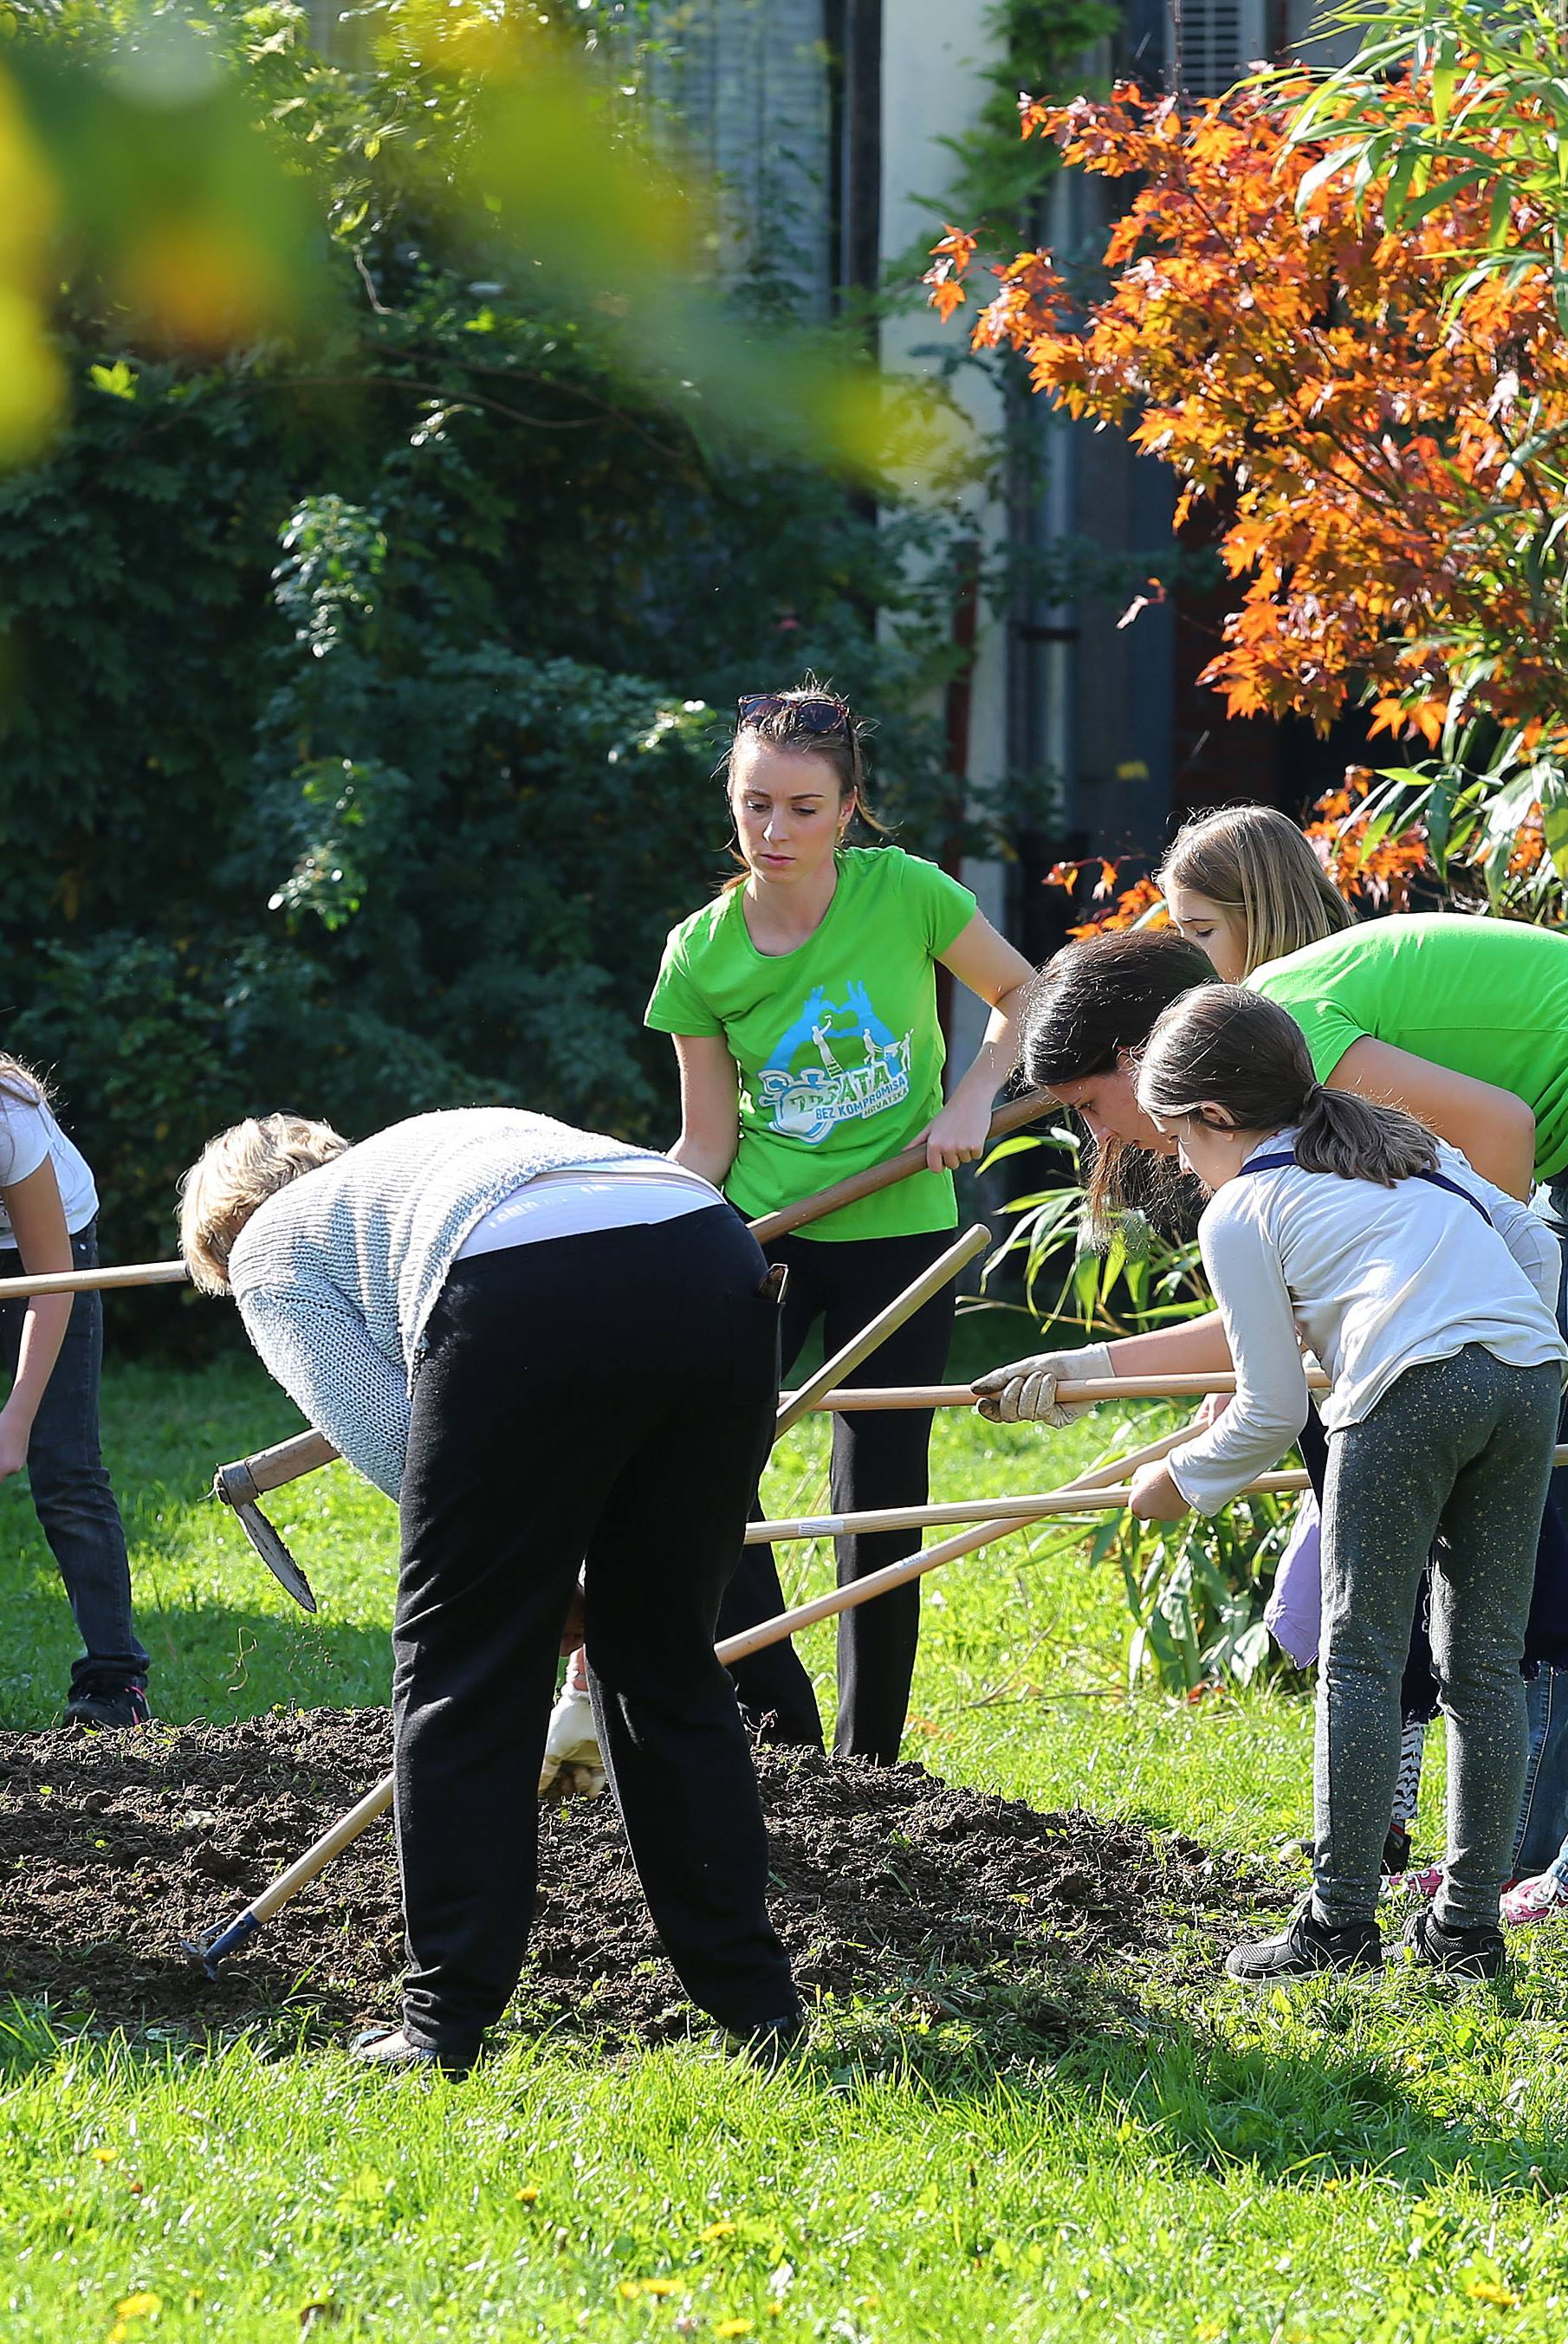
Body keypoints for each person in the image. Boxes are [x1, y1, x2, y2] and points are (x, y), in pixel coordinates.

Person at [988, 831, 1568, 1920]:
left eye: (1087, 1106)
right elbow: (1328, 1303)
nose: (1100, 1134)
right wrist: (1086, 1365)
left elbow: (1501, 1130)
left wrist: (1189, 1476)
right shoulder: (1280, 1086)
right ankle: (1516, 1860)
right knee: (1526, 1599)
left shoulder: (1284, 1038)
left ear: (1145, 1071)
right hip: (1533, 1312)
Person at [178, 1105, 800, 2073]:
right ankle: (762, 2012)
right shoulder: (426, 1152)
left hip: (523, 1289)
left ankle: (442, 2028)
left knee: (462, 1672)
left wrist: (533, 1590)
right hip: (711, 1254)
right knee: (666, 1665)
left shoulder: (268, 1245)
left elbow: (388, 1432)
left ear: (224, 1233)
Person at [1105, 987, 1565, 1977]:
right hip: (1531, 1373)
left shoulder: (1242, 1209)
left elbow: (1268, 1413)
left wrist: (1175, 1484)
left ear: (1217, 1119)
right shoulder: (1407, 1151)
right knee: (1485, 1667)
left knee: (1360, 1659)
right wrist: (1495, 1336)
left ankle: (1340, 1923)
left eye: (1179, 1141)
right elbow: (1535, 1241)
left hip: (1408, 1392)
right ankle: (1469, 1932)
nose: (1181, 1165)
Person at [644, 684, 1033, 1764]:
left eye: (803, 808)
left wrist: (972, 1099)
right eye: (753, 803)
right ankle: (781, 1722)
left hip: (900, 1232)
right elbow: (706, 1145)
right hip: (761, 1240)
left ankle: (871, 1765)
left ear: (852, 807)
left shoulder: (906, 894)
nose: (774, 831)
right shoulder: (700, 953)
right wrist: (647, 1229)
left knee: (878, 1496)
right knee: (702, 1468)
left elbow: (1024, 996)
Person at [0, 1053, 148, 1728]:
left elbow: (49, 1287)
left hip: (44, 1254)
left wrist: (17, 1417)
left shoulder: (10, 1123)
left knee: (64, 1466)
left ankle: (115, 1683)